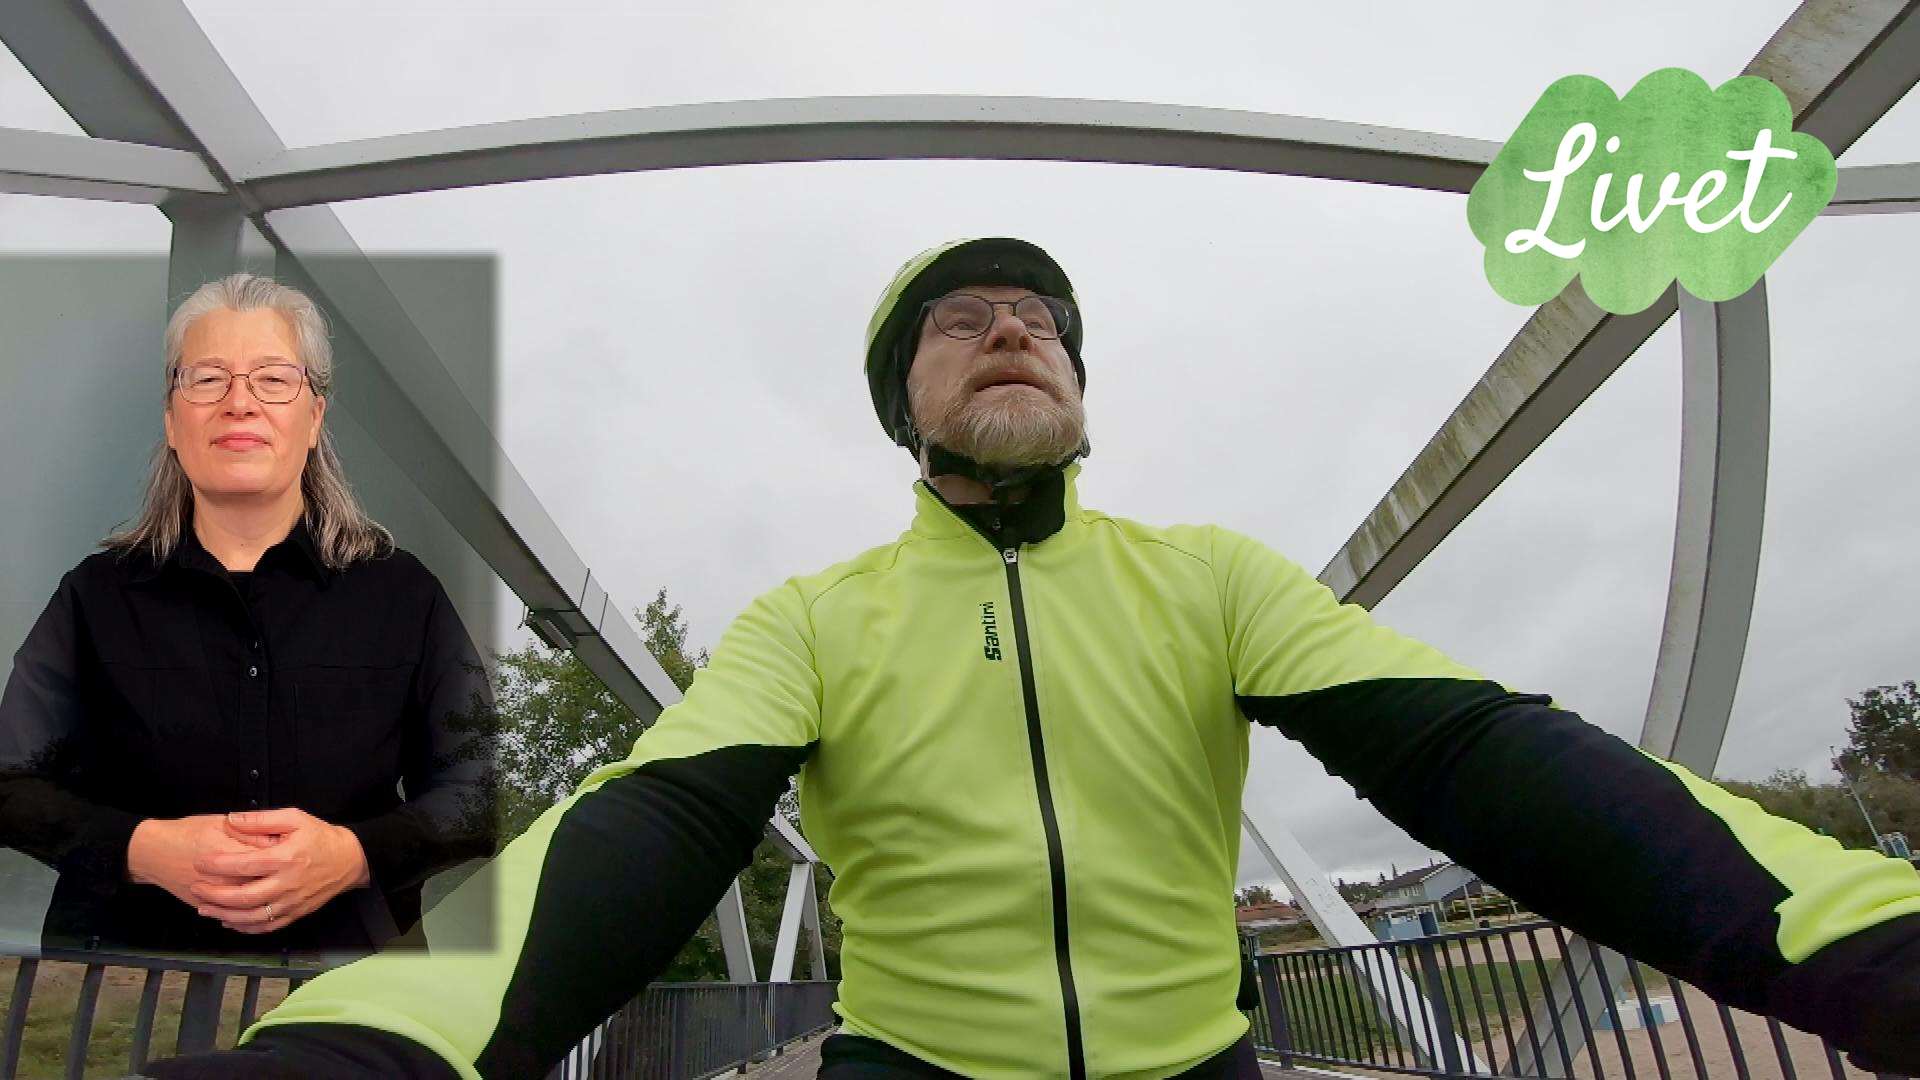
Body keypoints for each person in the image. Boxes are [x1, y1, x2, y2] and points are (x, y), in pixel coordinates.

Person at [145, 240, 1919, 1078]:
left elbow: (1477, 751)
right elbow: (647, 825)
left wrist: (1861, 939)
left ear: (1077, 386)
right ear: (900, 405)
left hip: (1197, 1074)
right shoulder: (815, 617)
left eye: (1045, 324)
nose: (1014, 330)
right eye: (963, 322)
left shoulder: (1209, 577)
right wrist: (364, 1046)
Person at [0, 273, 498, 959]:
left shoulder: (405, 594)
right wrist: (143, 849)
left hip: (351, 984)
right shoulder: (94, 595)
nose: (239, 403)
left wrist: (353, 855)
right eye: (208, 380)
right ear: (173, 420)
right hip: (120, 982)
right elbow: (11, 783)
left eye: (273, 379)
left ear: (314, 418)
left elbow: (479, 791)